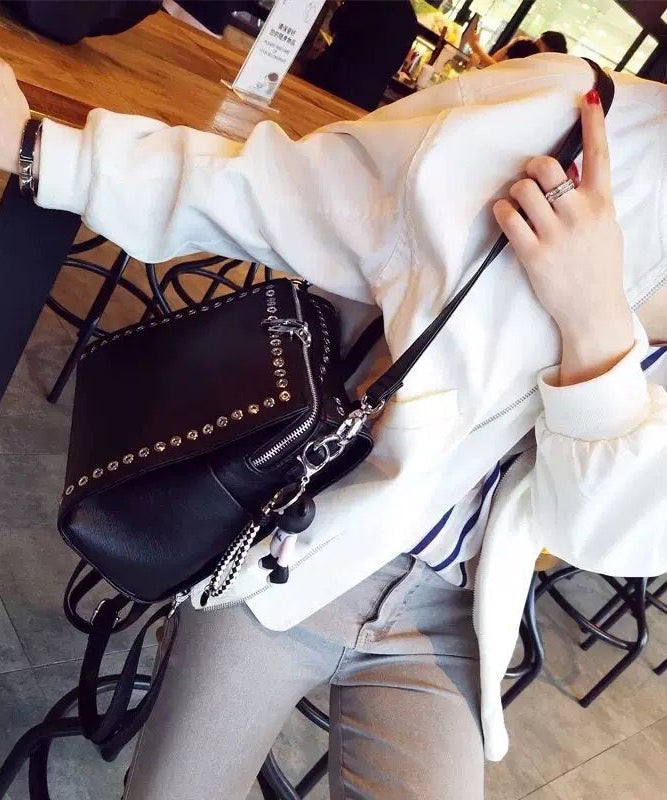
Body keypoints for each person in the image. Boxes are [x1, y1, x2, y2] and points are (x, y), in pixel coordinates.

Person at [1, 53, 665, 799]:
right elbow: (281, 197)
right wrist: (48, 152)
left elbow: (606, 534)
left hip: (453, 610)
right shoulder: (566, 113)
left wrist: (595, 328)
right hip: (298, 540)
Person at [303, 0, 419, 110]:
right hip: (366, 99)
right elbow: (395, 66)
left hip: (331, 81)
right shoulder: (411, 21)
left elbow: (336, 23)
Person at [469, 27, 567, 67]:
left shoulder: (535, 69)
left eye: (538, 45)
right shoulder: (523, 49)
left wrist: (475, 45)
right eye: (535, 42)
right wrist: (514, 43)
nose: (533, 45)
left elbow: (495, 69)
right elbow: (494, 62)